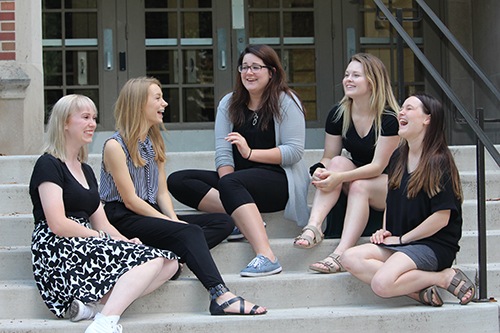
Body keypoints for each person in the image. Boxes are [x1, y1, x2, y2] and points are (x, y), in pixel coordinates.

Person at [100, 77, 266, 315]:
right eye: (157, 98)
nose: (164, 104)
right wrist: (169, 223)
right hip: (122, 217)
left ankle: (168, 257)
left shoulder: (153, 141)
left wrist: (172, 219)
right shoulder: (115, 146)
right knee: (190, 232)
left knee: (224, 222)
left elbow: (162, 191)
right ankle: (220, 295)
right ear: (138, 104)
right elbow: (130, 201)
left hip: (149, 213)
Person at [29, 94, 179, 333]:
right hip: (59, 247)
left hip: (87, 241)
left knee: (171, 263)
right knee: (151, 260)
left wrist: (123, 240)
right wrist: (100, 237)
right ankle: (105, 322)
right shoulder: (49, 164)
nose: (92, 124)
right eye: (85, 117)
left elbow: (102, 222)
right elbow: (57, 223)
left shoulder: (86, 170)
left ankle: (94, 309)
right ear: (64, 123)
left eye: (94, 118)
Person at [167, 44, 309, 277]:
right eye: (244, 67)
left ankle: (268, 257)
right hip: (236, 182)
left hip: (279, 181)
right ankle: (240, 217)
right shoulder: (229, 103)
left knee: (231, 182)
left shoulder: (286, 100)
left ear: (271, 72)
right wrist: (228, 182)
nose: (248, 73)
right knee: (179, 180)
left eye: (256, 67)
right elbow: (223, 154)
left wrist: (250, 153)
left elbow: (294, 151)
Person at [341, 93, 474, 306]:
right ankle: (419, 291)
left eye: (409, 108)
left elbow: (441, 218)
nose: (401, 112)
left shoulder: (438, 161)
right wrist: (385, 231)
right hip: (402, 243)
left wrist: (403, 240)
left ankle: (443, 276)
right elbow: (390, 202)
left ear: (427, 119)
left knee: (381, 284)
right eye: (402, 108)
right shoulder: (398, 157)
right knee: (349, 258)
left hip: (431, 245)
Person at [294, 53, 400, 275]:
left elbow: (378, 167)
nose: (348, 79)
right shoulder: (338, 113)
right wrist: (320, 170)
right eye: (346, 74)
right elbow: (330, 156)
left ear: (372, 82)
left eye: (356, 75)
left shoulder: (389, 118)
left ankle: (341, 253)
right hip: (355, 177)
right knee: (339, 162)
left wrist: (339, 178)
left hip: (390, 184)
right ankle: (313, 227)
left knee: (359, 183)